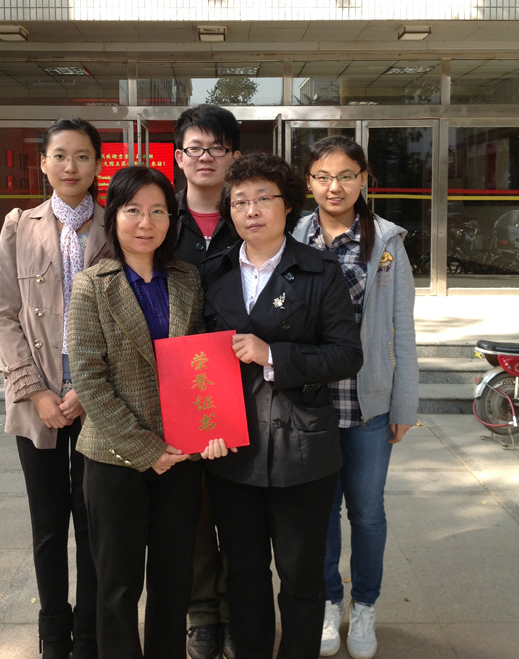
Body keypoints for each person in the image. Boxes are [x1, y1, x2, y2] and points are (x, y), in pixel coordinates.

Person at [200, 152, 364, 659]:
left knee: (301, 576)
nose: (251, 211)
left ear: (288, 205)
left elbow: (347, 355)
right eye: (239, 201)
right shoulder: (212, 273)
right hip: (233, 447)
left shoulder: (320, 271)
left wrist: (272, 354)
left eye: (263, 198)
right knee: (244, 571)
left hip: (302, 446)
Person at [66, 165, 207, 659]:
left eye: (158, 211)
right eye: (133, 210)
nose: (146, 223)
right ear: (114, 218)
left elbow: (199, 364)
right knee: (117, 585)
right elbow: (89, 378)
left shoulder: (187, 279)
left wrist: (200, 431)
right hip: (114, 459)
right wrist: (147, 449)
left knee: (173, 581)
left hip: (182, 457)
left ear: (172, 219)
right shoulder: (91, 284)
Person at [293, 135, 419, 659]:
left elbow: (402, 328)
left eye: (346, 176)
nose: (335, 187)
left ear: (364, 179)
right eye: (323, 177)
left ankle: (364, 605)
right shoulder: (293, 235)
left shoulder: (386, 241)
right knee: (321, 513)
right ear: (309, 183)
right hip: (312, 403)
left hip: (369, 404)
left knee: (366, 512)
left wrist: (405, 404)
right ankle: (329, 601)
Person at [0, 117, 105, 659]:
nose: (70, 166)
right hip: (38, 400)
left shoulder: (117, 224)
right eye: (60, 155)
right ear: (43, 163)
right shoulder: (20, 225)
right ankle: (54, 634)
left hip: (98, 399)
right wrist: (35, 391)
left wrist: (89, 386)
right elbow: (4, 313)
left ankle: (91, 635)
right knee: (48, 524)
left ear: (97, 164)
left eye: (82, 156)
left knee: (95, 524)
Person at [174, 104, 241, 659]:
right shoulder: (160, 218)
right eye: (195, 148)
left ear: (233, 156)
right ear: (178, 156)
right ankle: (201, 612)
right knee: (192, 509)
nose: (205, 157)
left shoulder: (251, 214)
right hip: (180, 383)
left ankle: (239, 606)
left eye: (216, 148)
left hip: (247, 381)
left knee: (241, 505)